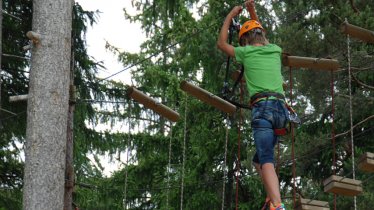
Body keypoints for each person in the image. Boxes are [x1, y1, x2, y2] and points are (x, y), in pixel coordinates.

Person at [217, 1, 289, 210]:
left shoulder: (245, 52)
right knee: (258, 160)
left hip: (263, 109)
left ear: (245, 41)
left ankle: (277, 204)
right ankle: (271, 198)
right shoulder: (275, 50)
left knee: (265, 157)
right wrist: (251, 12)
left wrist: (230, 15)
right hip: (281, 112)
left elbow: (222, 43)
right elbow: (259, 31)